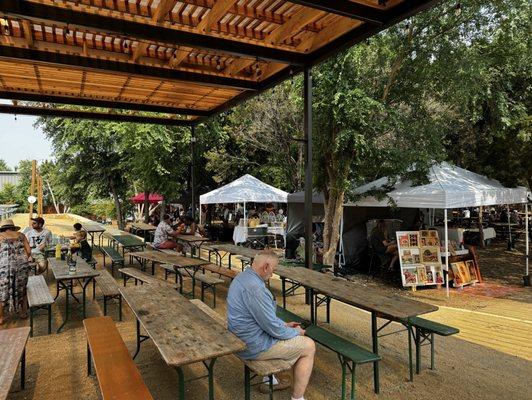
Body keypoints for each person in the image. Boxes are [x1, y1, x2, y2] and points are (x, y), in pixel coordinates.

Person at [227, 250, 315, 400]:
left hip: (240, 336)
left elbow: (264, 319)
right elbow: (273, 328)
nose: (273, 274)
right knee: (309, 346)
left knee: (284, 331)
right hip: (252, 345)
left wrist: (285, 324)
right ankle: (297, 398)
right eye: (273, 270)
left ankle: (271, 380)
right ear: (266, 267)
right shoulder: (256, 289)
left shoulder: (243, 277)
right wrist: (297, 332)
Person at [0, 219, 32, 324]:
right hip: (22, 266)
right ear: (13, 227)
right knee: (22, 288)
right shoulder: (21, 235)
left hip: (4, 268)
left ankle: (1, 317)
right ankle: (23, 312)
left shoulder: (0, 236)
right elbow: (29, 251)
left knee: (3, 290)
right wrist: (22, 260)